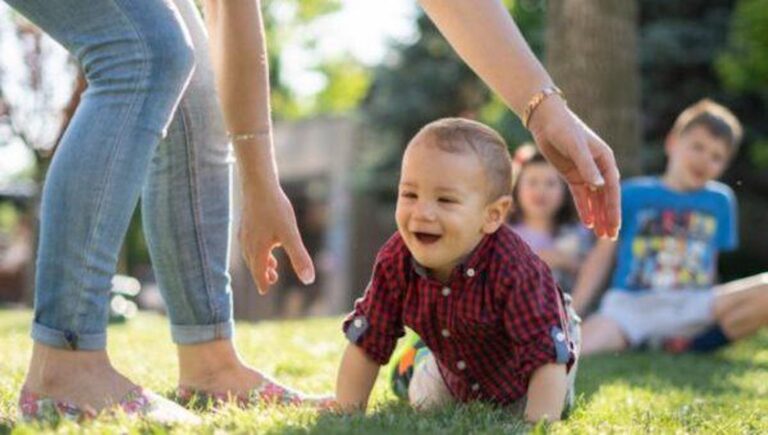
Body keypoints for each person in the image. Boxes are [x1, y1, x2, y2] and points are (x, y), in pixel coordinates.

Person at [7, 0, 619, 423]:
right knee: (147, 51)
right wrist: (257, 180)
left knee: (193, 83)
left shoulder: (513, 268)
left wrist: (543, 109)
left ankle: (209, 362)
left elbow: (228, 16)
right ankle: (66, 364)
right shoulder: (398, 264)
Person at [335, 118, 580, 423]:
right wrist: (345, 412)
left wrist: (539, 424)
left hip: (529, 372)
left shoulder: (517, 269)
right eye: (410, 194)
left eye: (446, 200)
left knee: (546, 405)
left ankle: (420, 358)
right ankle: (414, 365)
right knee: (427, 401)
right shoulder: (396, 260)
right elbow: (368, 337)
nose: (422, 213)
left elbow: (546, 356)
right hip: (456, 369)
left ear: (492, 215)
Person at [574, 99, 768, 356]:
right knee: (576, 348)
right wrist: (573, 311)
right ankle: (647, 340)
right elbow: (601, 258)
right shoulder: (632, 194)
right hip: (631, 307)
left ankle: (690, 345)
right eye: (697, 147)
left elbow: (711, 265)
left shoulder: (720, 201)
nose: (704, 160)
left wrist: (715, 308)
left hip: (692, 304)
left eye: (716, 156)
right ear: (672, 143)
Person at [509, 144, 593, 293]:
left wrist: (563, 261)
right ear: (516, 189)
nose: (541, 191)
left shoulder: (578, 233)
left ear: (565, 192)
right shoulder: (505, 235)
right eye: (532, 182)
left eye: (550, 183)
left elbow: (595, 272)